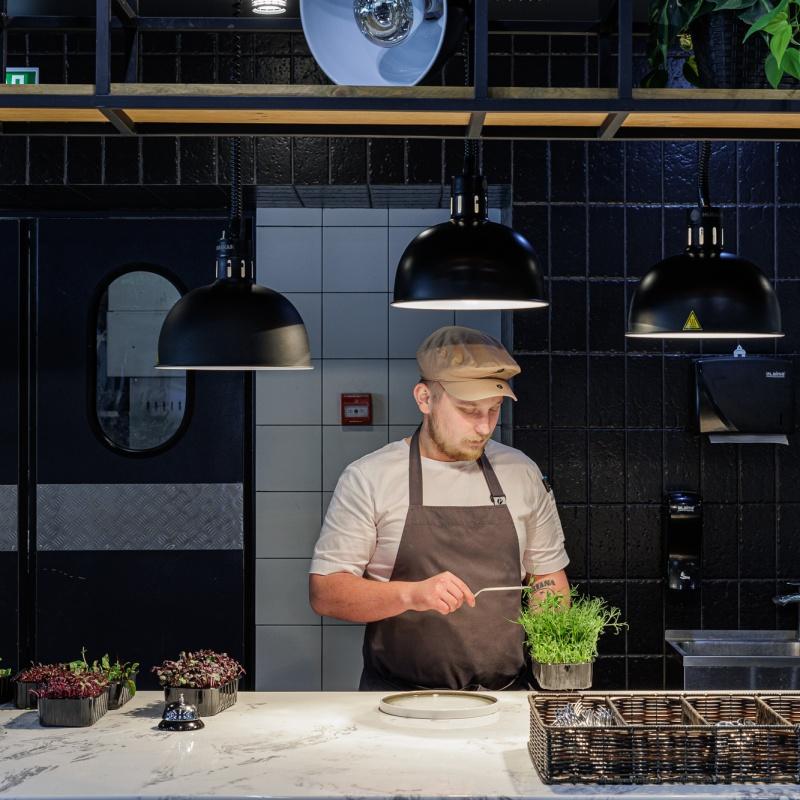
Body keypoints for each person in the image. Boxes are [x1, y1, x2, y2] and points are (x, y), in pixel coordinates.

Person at [309, 325, 569, 691]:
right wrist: (411, 595)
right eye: (468, 410)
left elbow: (546, 579)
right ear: (424, 398)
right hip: (397, 702)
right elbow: (326, 592)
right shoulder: (370, 477)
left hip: (504, 699)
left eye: (493, 410)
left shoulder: (521, 472)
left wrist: (556, 663)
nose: (484, 427)